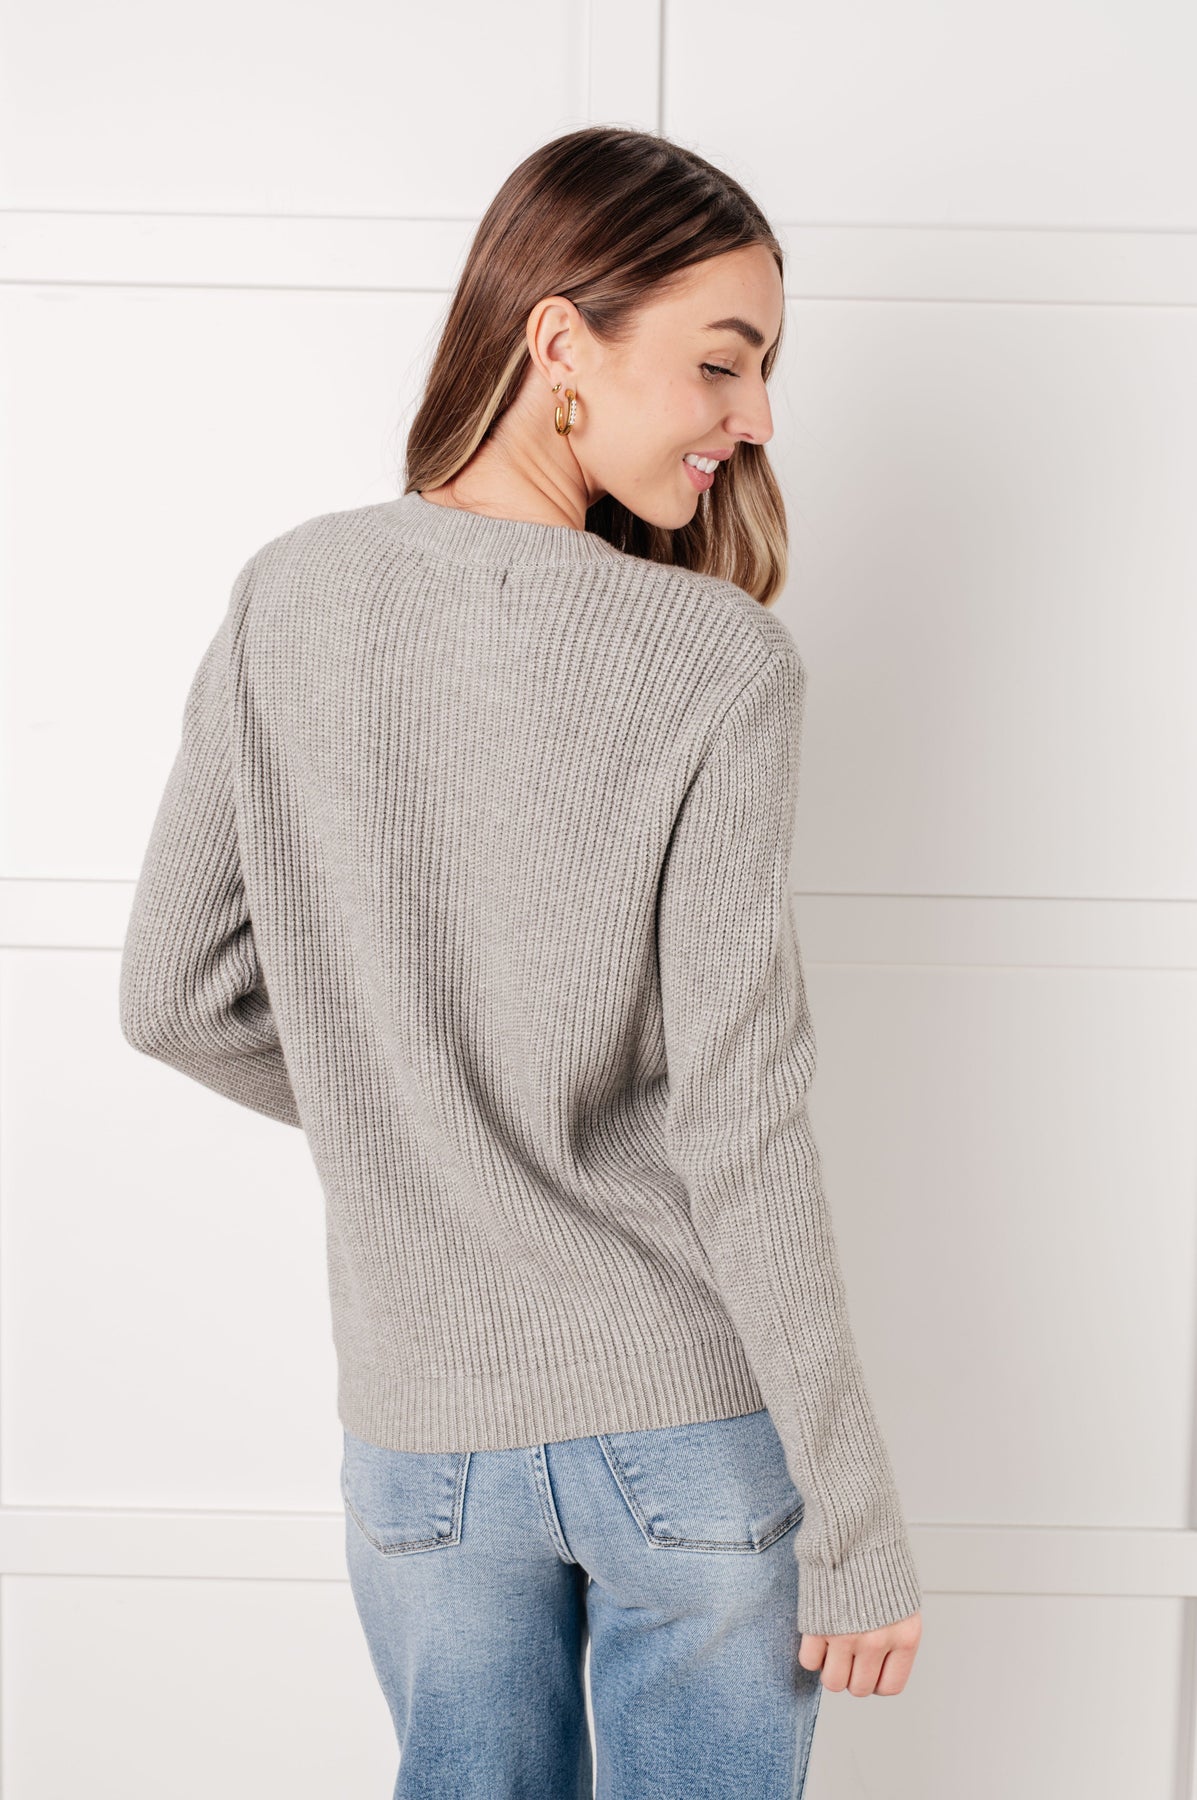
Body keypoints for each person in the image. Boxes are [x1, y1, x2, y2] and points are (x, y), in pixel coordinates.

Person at [119, 125, 923, 1797]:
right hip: (682, 1431)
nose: (756, 416)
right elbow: (738, 1121)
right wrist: (855, 1523)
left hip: (420, 1444)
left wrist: (415, 1122)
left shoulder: (289, 596)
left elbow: (172, 1001)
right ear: (560, 340)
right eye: (722, 361)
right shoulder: (714, 658)